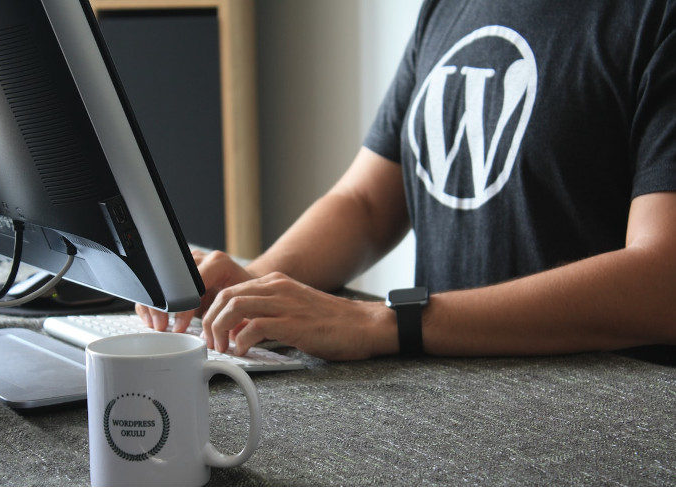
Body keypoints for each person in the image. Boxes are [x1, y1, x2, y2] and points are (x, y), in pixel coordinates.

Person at [136, 0, 676, 361]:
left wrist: (387, 323)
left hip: (599, 420)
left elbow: (662, 280)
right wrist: (253, 288)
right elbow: (368, 201)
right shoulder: (448, 5)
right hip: (450, 392)